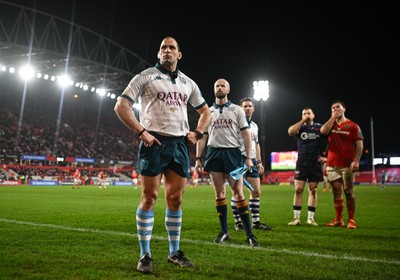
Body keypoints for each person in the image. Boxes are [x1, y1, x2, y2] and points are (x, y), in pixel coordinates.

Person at [114, 36, 211, 274]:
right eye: (163, 48)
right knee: (149, 197)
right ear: (159, 54)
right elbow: (121, 106)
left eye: (172, 47)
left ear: (179, 55)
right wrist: (141, 132)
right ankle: (144, 255)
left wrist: (198, 133)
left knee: (175, 200)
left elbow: (206, 111)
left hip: (178, 144)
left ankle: (174, 252)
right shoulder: (145, 76)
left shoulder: (188, 83)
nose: (167, 50)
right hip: (154, 142)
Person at [195, 78, 259, 247]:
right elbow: (202, 137)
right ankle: (224, 232)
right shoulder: (208, 112)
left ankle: (250, 234)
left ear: (228, 89)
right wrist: (198, 158)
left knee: (238, 193)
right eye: (217, 85)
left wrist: (249, 158)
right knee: (219, 194)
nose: (220, 88)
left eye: (223, 85)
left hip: (232, 153)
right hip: (214, 153)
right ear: (214, 89)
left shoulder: (237, 110)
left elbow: (246, 134)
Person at [231, 97, 272, 231]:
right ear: (240, 108)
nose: (247, 108)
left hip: (253, 161)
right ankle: (238, 222)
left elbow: (257, 144)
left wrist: (259, 161)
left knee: (256, 192)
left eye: (249, 106)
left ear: (253, 108)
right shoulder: (235, 123)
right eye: (245, 106)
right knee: (238, 192)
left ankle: (256, 222)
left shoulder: (254, 126)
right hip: (239, 159)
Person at [321, 100, 364, 229]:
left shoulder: (353, 126)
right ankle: (338, 219)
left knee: (349, 191)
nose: (335, 109)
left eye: (338, 107)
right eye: (333, 108)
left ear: (344, 109)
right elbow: (323, 131)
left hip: (347, 165)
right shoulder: (331, 125)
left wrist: (356, 160)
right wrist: (332, 118)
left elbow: (359, 144)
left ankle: (351, 220)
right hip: (332, 164)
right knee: (336, 191)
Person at [287, 107, 327, 226]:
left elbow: (330, 141)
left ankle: (311, 218)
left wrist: (326, 157)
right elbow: (290, 132)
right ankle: (296, 218)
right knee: (298, 189)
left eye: (308, 113)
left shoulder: (320, 128)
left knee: (313, 190)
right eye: (304, 113)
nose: (306, 115)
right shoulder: (300, 128)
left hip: (315, 163)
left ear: (313, 115)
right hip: (302, 162)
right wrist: (302, 121)